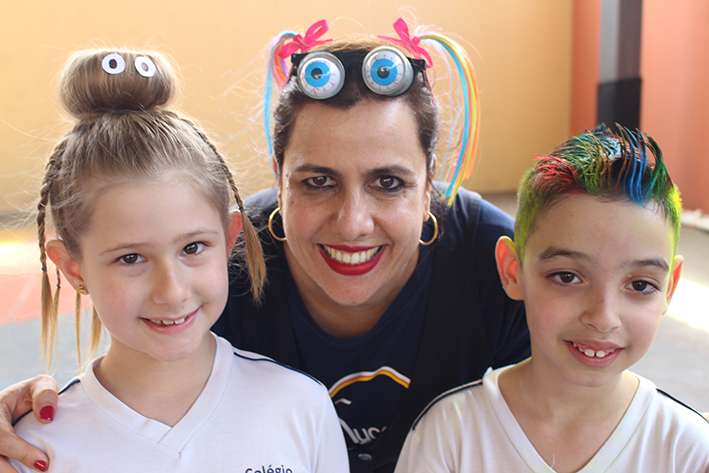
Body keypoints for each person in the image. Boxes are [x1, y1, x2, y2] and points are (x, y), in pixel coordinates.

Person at [0, 20, 529, 473]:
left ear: (431, 182)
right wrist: (40, 413)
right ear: (278, 178)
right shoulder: (225, 260)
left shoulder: (496, 261)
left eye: (388, 183)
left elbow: (575, 385)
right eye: (317, 182)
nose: (352, 223)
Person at [7, 49, 348, 473]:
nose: (171, 291)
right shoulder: (33, 448)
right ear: (73, 267)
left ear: (229, 239)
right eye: (131, 258)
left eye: (192, 248)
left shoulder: (301, 407)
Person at [394, 125, 709, 473]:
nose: (603, 317)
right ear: (513, 271)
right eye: (567, 277)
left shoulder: (689, 452)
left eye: (640, 285)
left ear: (669, 288)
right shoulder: (449, 436)